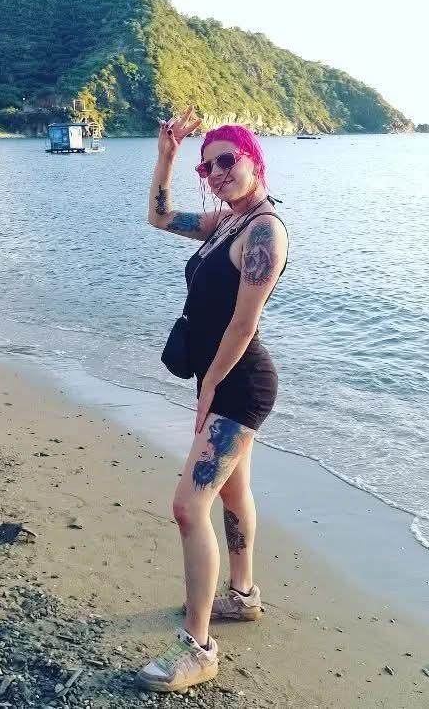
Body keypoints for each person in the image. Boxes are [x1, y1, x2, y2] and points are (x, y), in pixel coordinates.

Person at [138, 107, 289, 692]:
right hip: (221, 379)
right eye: (208, 167)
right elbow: (158, 217)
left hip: (239, 384)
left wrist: (209, 389)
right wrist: (167, 157)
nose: (218, 172)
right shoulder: (227, 223)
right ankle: (244, 596)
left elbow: (243, 325)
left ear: (254, 161)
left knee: (187, 507)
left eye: (227, 160)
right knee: (232, 490)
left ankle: (199, 648)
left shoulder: (264, 232)